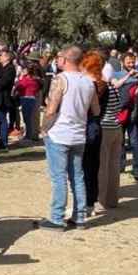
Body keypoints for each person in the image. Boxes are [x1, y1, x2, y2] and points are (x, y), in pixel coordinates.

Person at [40, 46, 98, 231]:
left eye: (59, 57)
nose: (57, 60)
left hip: (59, 133)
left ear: (65, 59)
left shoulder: (61, 79)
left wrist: (43, 128)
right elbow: (96, 110)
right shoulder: (89, 81)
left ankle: (57, 218)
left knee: (59, 177)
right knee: (77, 177)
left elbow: (51, 109)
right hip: (78, 134)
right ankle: (80, 216)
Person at [80, 52, 107, 209]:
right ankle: (91, 200)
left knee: (84, 166)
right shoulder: (104, 84)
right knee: (93, 165)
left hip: (87, 125)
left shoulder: (89, 85)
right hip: (97, 126)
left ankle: (85, 202)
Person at [96, 64, 124, 214]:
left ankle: (101, 200)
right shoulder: (114, 88)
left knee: (103, 166)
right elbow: (119, 107)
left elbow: (96, 110)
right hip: (116, 127)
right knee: (113, 165)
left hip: (105, 128)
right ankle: (112, 199)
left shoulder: (102, 89)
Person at [0, 51, 17, 150]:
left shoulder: (10, 69)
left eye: (1, 56)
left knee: (2, 120)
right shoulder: (0, 67)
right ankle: (0, 141)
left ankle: (4, 142)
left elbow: (3, 83)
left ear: (7, 58)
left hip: (3, 98)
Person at [16, 63, 42, 142]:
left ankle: (29, 136)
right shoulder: (35, 80)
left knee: (27, 118)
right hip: (32, 98)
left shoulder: (26, 79)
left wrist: (20, 78)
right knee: (29, 118)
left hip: (26, 98)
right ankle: (30, 134)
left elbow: (19, 86)